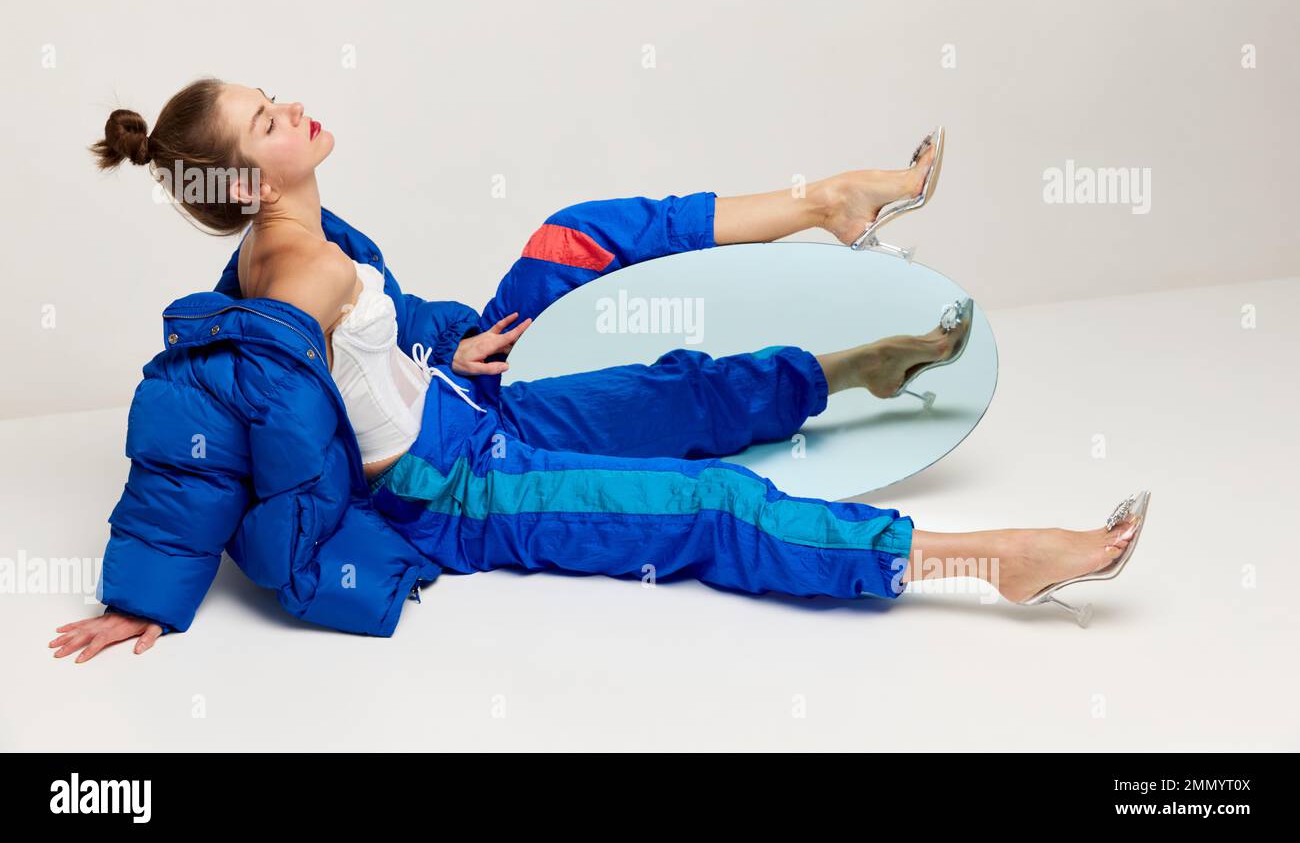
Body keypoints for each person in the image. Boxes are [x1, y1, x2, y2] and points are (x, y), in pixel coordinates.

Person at [50, 78, 1145, 662]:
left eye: (270, 94)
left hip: (465, 397)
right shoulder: (290, 276)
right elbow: (200, 437)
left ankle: (837, 234)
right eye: (265, 119)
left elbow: (379, 333)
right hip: (454, 490)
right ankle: (992, 561)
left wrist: (447, 343)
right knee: (708, 508)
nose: (290, 104)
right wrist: (143, 595)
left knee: (587, 250)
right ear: (244, 184)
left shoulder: (317, 237)